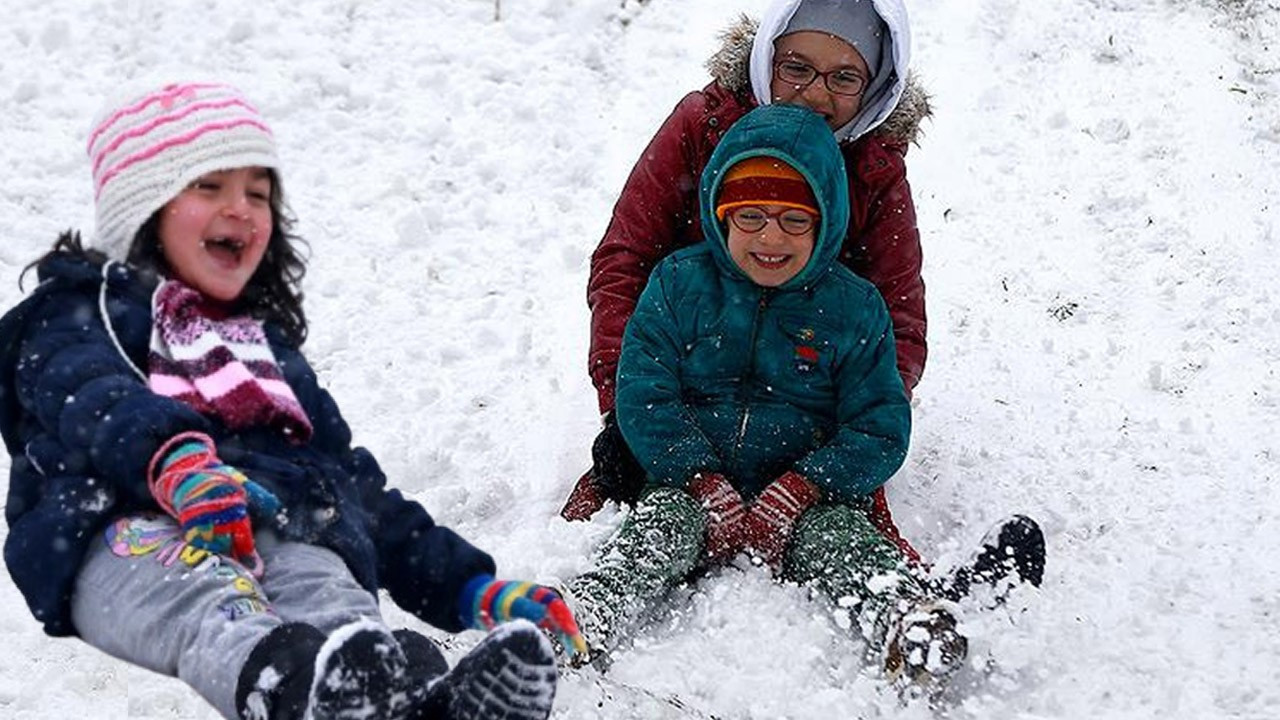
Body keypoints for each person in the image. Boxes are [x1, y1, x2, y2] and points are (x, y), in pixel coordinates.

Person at [0, 80, 585, 720]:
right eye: (209, 186)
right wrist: (177, 462)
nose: (242, 208)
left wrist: (473, 586)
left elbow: (351, 488)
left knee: (345, 618)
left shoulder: (262, 350)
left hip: (276, 527)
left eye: (258, 192)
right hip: (121, 522)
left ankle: (413, 700)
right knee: (210, 602)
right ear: (144, 203)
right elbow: (92, 396)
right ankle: (309, 698)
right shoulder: (82, 311)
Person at [561, 103, 1041, 693]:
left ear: (826, 222)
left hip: (804, 494)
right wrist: (694, 476)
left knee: (843, 541)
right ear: (720, 214)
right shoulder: (678, 285)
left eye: (794, 220)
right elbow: (646, 393)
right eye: (752, 217)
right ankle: (581, 617)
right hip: (690, 486)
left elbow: (879, 423)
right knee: (658, 529)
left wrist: (806, 486)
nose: (770, 238)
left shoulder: (853, 308)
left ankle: (907, 623)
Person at [563, 0, 930, 563]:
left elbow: (897, 315)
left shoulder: (874, 165)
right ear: (767, 58)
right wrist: (625, 405)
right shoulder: (704, 127)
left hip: (806, 386)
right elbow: (625, 260)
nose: (815, 93)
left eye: (845, 76)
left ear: (876, 86)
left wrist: (849, 448)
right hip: (694, 371)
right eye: (797, 67)